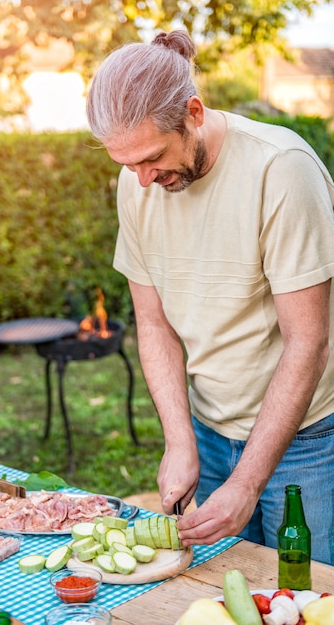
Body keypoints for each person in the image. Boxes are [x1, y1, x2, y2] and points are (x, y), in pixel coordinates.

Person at [86, 30, 334, 564]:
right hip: (209, 429)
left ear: (193, 112)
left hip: (308, 441)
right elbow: (153, 325)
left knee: (305, 595)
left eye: (151, 157)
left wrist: (247, 483)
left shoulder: (281, 170)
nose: (143, 179)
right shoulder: (138, 182)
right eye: (126, 165)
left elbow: (307, 341)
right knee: (227, 595)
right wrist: (180, 441)